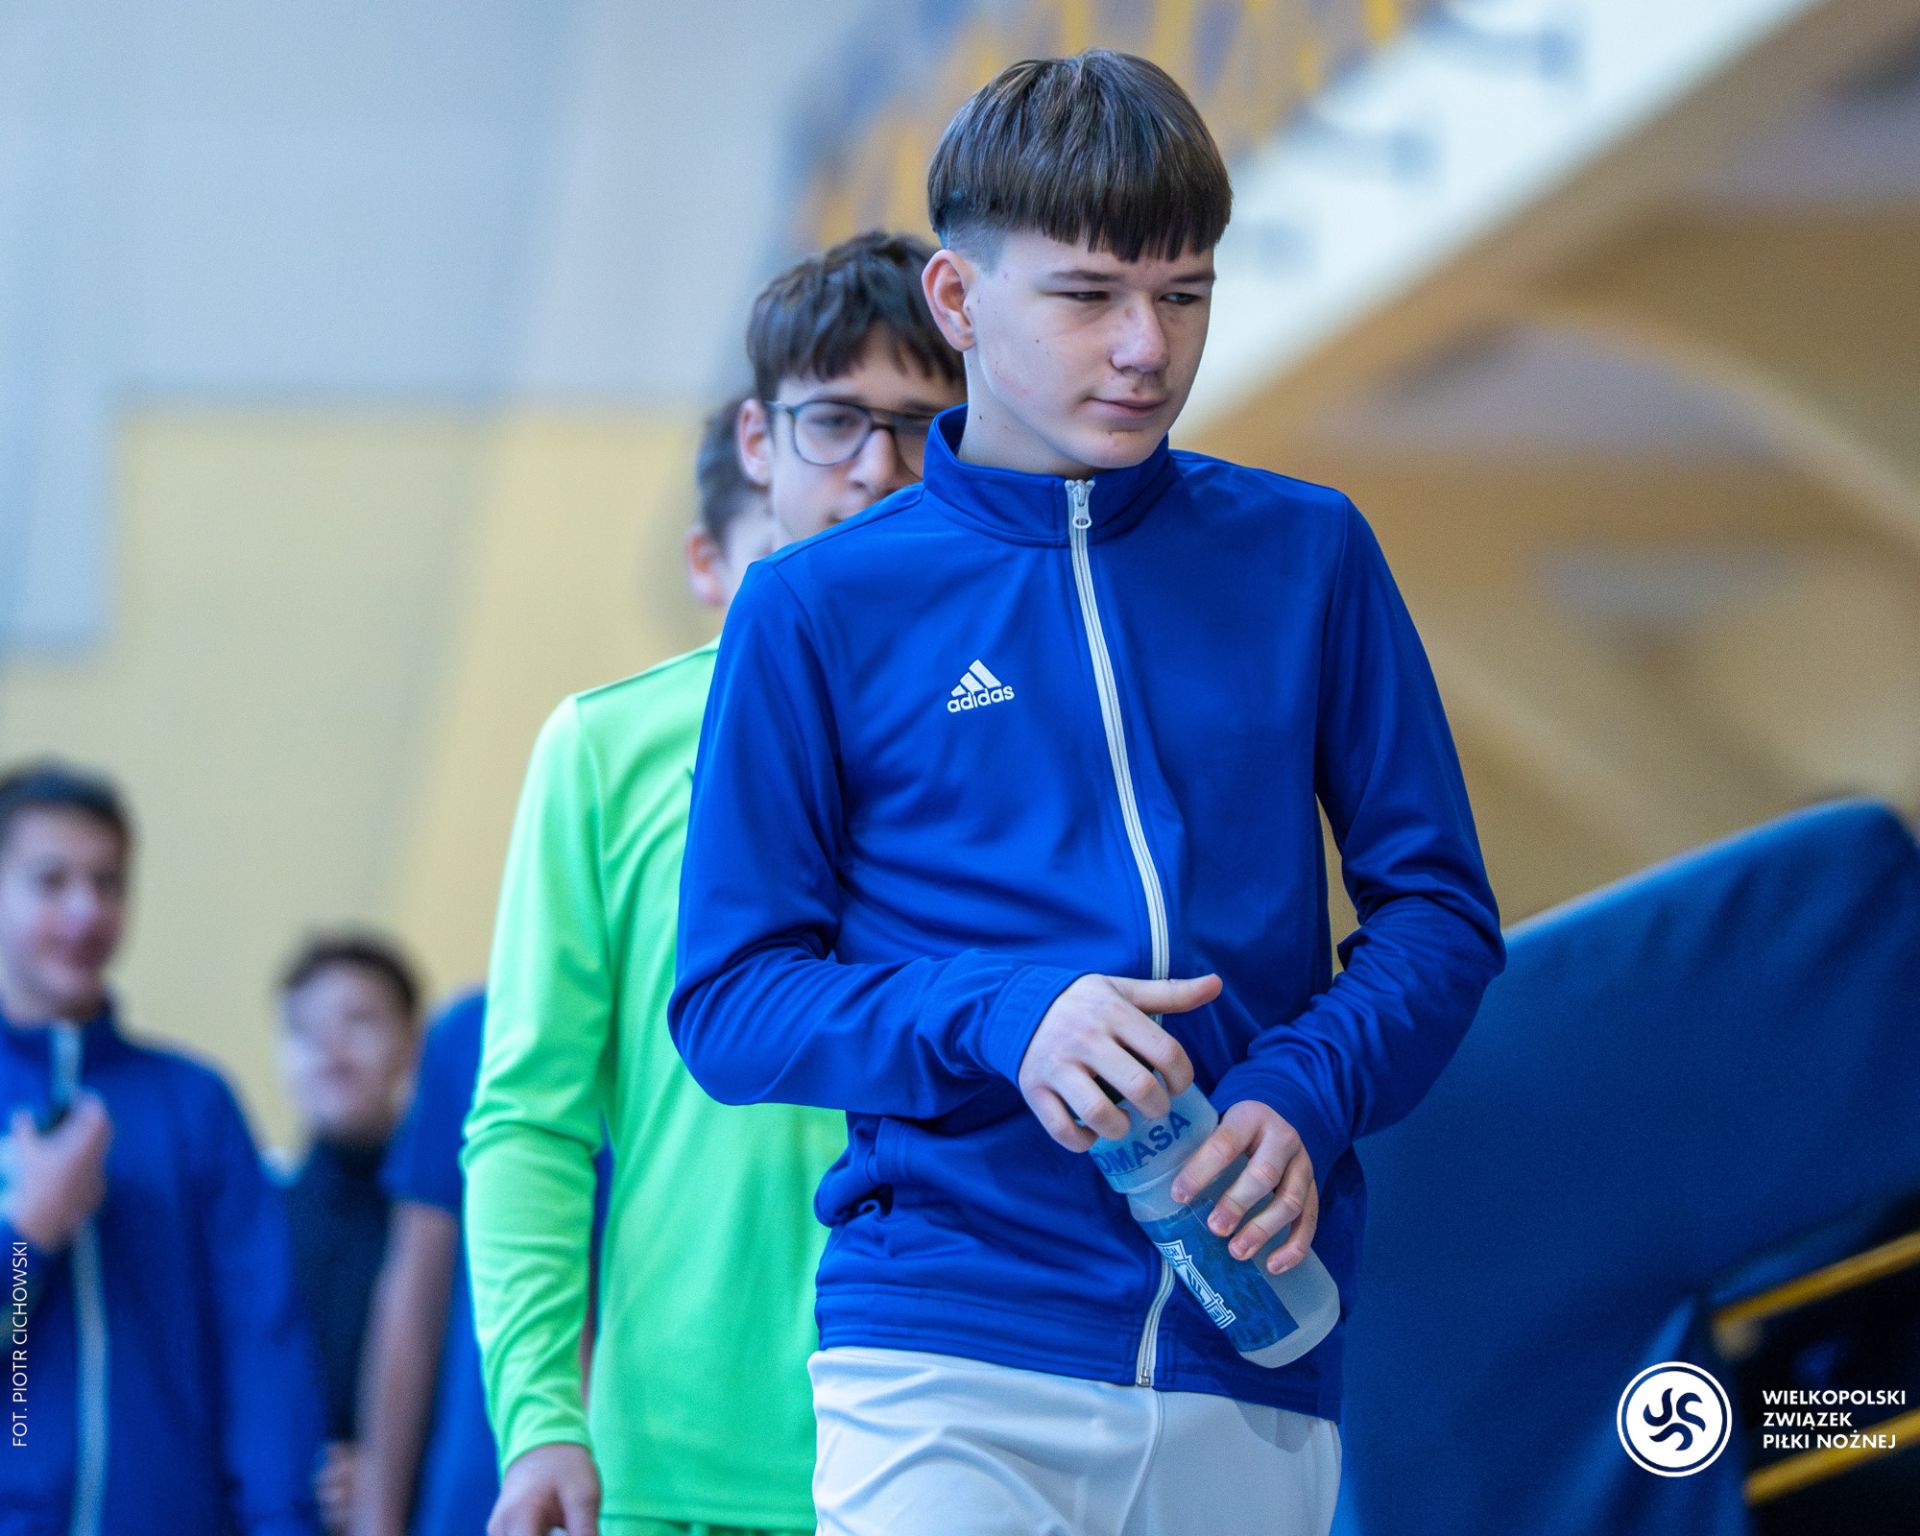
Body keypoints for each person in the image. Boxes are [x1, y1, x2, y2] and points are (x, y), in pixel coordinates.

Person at [669, 53, 1507, 1536]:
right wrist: (1006, 1013)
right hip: (947, 1350)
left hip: (1256, 1345)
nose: (1145, 348)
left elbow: (1440, 912)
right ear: (957, 299)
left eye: (1185, 294)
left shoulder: (1308, 554)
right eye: (1088, 295)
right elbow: (732, 1002)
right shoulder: (814, 609)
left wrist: (1306, 1090)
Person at [465, 232, 965, 1536]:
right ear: (759, 441)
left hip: (962, 1432)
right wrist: (539, 1418)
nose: (878, 467)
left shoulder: (1025, 735)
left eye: (924, 426)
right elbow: (529, 1120)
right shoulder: (606, 749)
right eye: (836, 421)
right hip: (673, 1465)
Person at [0, 762, 326, 1535]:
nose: (85, 910)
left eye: (108, 883)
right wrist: (27, 1237)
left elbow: (262, 1347)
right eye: (52, 881)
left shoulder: (195, 1104)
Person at [277, 933, 423, 1535]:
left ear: (412, 1044)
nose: (331, 1051)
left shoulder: (444, 1232)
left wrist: (390, 1471)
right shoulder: (254, 1220)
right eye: (306, 1030)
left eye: (359, 1023)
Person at [351, 989, 500, 1536]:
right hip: (481, 1486)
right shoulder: (472, 1032)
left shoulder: (718, 1018)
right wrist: (377, 1516)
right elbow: (415, 1295)